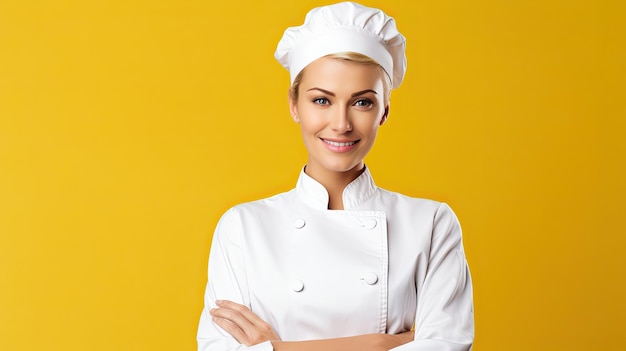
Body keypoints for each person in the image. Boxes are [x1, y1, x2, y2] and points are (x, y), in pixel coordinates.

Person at [196, 2, 474, 350]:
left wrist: (276, 348)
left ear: (384, 111)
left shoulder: (431, 224)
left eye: (362, 102)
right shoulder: (243, 227)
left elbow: (446, 346)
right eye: (322, 101)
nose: (341, 124)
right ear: (294, 105)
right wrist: (377, 344)